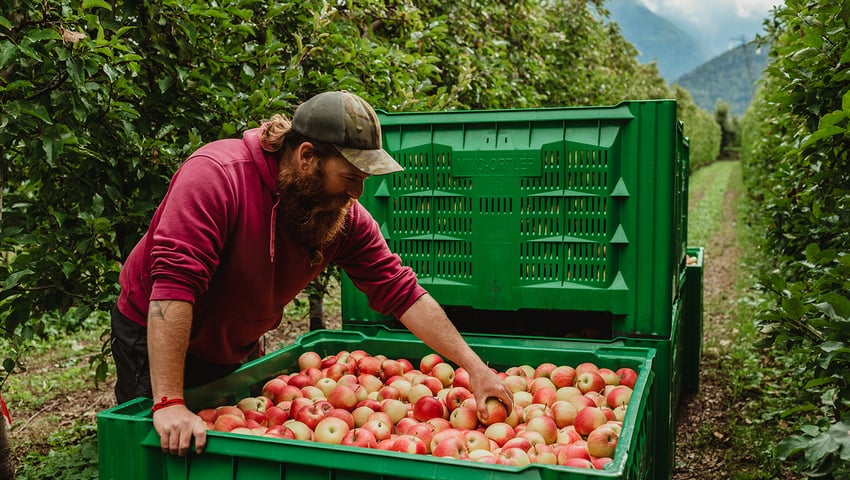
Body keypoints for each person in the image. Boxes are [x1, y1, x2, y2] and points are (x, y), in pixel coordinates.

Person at [110, 91, 513, 457]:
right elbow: (174, 286)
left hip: (235, 338)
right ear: (307, 157)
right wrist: (168, 401)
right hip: (159, 336)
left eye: (364, 180)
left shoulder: (340, 215)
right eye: (350, 177)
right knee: (166, 445)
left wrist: (475, 368)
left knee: (229, 443)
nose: (357, 194)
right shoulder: (217, 176)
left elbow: (399, 290)